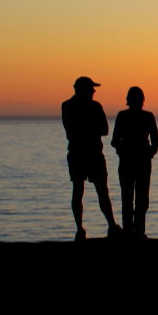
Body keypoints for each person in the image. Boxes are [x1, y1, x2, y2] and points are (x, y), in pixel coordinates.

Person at [62, 76, 123, 240]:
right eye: (91, 88)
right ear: (82, 89)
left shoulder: (70, 106)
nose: (94, 91)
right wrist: (90, 129)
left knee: (92, 191)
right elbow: (101, 129)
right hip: (86, 154)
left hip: (86, 153)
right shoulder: (87, 107)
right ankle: (95, 227)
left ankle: (107, 226)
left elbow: (103, 130)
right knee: (91, 191)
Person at [111, 86, 158, 238]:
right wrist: (147, 153)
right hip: (134, 161)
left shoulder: (143, 116)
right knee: (135, 198)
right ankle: (134, 232)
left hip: (136, 161)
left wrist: (148, 154)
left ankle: (135, 231)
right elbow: (115, 141)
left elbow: (156, 141)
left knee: (135, 199)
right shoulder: (132, 116)